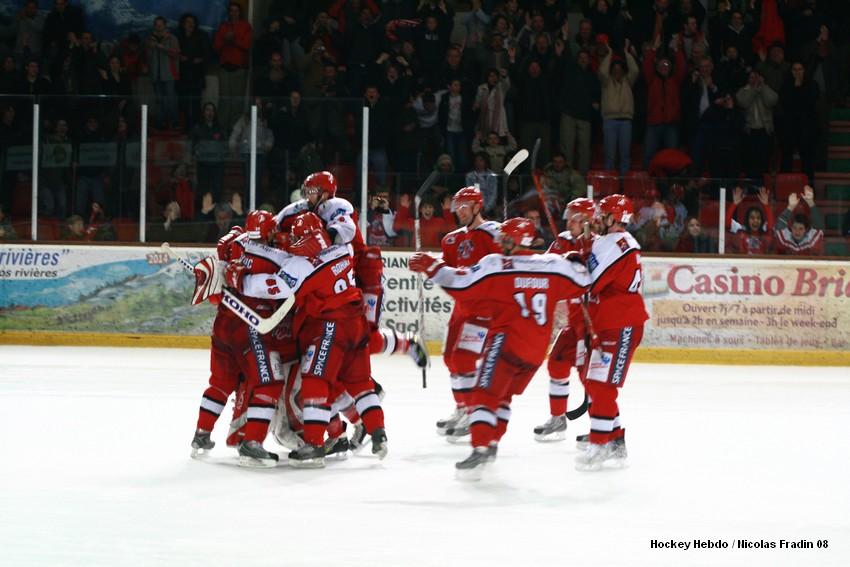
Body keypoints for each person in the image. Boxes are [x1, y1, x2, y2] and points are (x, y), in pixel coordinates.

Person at [410, 218, 590, 478]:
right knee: (504, 398)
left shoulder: (497, 265)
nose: (499, 242)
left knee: (484, 393)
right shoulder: (554, 265)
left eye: (505, 238)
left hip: (506, 344)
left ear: (515, 241)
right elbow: (583, 281)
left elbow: (460, 284)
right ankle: (492, 442)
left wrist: (431, 266)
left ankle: (481, 447)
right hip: (535, 351)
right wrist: (577, 259)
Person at [228, 212, 388, 468]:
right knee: (360, 383)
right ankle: (378, 433)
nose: (293, 242)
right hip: (356, 324)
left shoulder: (304, 266)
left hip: (331, 327)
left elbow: (275, 286)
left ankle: (314, 444)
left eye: (296, 238)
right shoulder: (342, 250)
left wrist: (241, 281)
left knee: (314, 381)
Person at [276, 171, 429, 372]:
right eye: (307, 191)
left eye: (312, 191)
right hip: (330, 283)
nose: (307, 196)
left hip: (363, 275)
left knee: (365, 339)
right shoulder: (297, 210)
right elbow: (273, 226)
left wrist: (315, 240)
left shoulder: (337, 206)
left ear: (325, 193)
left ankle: (407, 344)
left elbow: (344, 232)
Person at [189, 210, 294, 467]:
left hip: (224, 325)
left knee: (220, 382)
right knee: (269, 383)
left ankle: (201, 434)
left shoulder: (235, 244)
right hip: (252, 327)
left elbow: (220, 262)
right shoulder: (277, 258)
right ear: (269, 231)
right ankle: (252, 443)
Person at [576, 194, 648, 471]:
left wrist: (580, 259)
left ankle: (600, 444)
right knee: (593, 382)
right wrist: (584, 249)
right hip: (608, 321)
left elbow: (591, 280)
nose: (596, 218)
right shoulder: (609, 241)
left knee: (602, 385)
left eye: (602, 214)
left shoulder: (619, 244)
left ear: (614, 218)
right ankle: (614, 440)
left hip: (622, 323)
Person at [435, 186, 502, 441]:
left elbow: (509, 260)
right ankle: (463, 408)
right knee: (450, 358)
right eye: (457, 206)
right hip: (461, 309)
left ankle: (475, 413)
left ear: (477, 207)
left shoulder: (493, 233)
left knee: (463, 359)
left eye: (465, 206)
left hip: (484, 310)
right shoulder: (451, 240)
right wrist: (432, 267)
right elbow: (449, 273)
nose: (460, 211)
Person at [534, 197, 596, 441]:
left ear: (588, 221)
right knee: (557, 363)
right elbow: (545, 267)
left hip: (591, 323)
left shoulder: (599, 244)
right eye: (569, 218)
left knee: (588, 375)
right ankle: (558, 419)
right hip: (573, 322)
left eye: (575, 219)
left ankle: (600, 427)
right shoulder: (562, 241)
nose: (569, 223)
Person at [213, 2, 252, 131]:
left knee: (237, 102)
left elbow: (247, 46)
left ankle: (235, 131)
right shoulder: (223, 26)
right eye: (231, 10)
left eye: (236, 10)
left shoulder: (245, 26)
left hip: (239, 68)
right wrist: (226, 40)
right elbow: (216, 47)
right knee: (224, 100)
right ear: (228, 13)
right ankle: (222, 130)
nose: (234, 13)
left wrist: (233, 39)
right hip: (224, 68)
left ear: (240, 13)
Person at [146, 16, 180, 131]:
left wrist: (162, 47)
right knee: (159, 100)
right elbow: (147, 57)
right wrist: (150, 48)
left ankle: (174, 122)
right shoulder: (150, 39)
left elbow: (176, 54)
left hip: (169, 74)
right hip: (156, 74)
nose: (159, 27)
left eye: (161, 25)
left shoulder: (172, 38)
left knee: (171, 99)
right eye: (156, 25)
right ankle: (160, 123)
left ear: (165, 25)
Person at [774, 187, 824, 256]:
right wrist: (790, 207)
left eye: (801, 228)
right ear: (791, 228)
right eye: (794, 227)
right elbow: (779, 226)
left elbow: (819, 226)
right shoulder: (786, 238)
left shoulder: (811, 240)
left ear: (806, 230)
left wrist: (810, 202)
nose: (797, 231)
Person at [726, 186, 774, 255]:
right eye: (752, 218)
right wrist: (734, 204)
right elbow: (727, 223)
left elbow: (770, 226)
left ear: (761, 221)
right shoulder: (740, 230)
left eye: (758, 218)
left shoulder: (764, 234)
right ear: (747, 220)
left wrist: (766, 205)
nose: (755, 220)